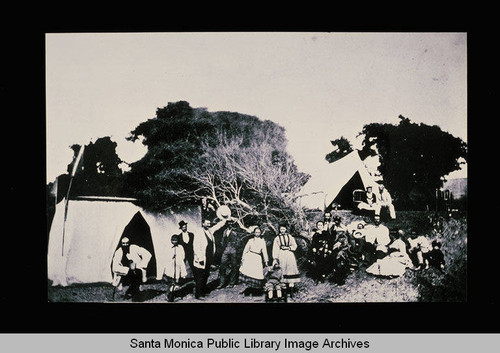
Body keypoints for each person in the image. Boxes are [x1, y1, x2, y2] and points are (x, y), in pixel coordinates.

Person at [192, 217, 230, 299]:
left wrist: (224, 220)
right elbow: (196, 247)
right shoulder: (199, 233)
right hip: (201, 258)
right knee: (200, 276)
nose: (208, 225)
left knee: (206, 275)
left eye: (209, 224)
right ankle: (198, 295)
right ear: (203, 224)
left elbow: (217, 226)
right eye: (207, 223)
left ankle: (203, 291)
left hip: (208, 258)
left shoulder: (209, 231)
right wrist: (200, 258)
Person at [239, 226, 270, 296]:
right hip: (249, 257)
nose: (257, 233)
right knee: (248, 273)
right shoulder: (250, 240)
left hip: (257, 258)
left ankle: (254, 291)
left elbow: (264, 252)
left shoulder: (262, 241)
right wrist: (243, 258)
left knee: (255, 274)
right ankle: (247, 291)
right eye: (256, 232)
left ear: (261, 233)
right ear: (254, 233)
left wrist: (266, 261)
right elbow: (245, 249)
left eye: (259, 232)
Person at [272, 223, 300, 297]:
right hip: (281, 254)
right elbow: (275, 248)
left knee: (290, 269)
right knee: (283, 269)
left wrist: (288, 248)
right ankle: (284, 289)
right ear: (279, 230)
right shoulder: (277, 238)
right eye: (281, 229)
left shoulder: (289, 236)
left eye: (284, 229)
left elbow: (294, 245)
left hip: (289, 254)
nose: (282, 230)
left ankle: (291, 289)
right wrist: (275, 258)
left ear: (286, 229)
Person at [217, 219, 243, 289]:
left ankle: (232, 282)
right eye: (228, 223)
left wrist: (235, 248)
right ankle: (222, 283)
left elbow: (240, 241)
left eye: (231, 223)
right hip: (226, 250)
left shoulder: (236, 231)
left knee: (234, 266)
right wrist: (223, 246)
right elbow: (222, 240)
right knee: (222, 266)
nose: (230, 225)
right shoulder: (225, 231)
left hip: (233, 250)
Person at [163, 234, 187, 302]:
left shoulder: (180, 247)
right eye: (173, 240)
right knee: (171, 281)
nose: (174, 242)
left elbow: (183, 256)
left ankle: (173, 294)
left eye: (175, 240)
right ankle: (169, 295)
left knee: (176, 281)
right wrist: (172, 257)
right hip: (171, 266)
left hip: (178, 266)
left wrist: (179, 260)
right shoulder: (169, 247)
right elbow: (166, 256)